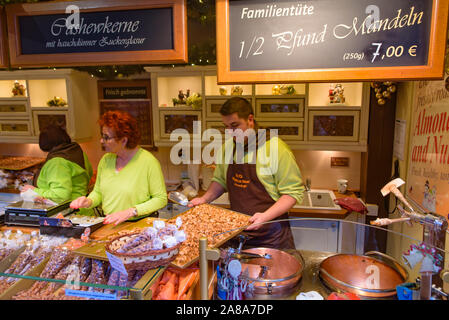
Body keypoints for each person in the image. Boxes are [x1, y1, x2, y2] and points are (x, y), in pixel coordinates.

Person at [189, 97, 305, 249]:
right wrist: (204, 199)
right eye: (227, 127)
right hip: (237, 235)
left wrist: (265, 217)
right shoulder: (228, 148)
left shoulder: (276, 148)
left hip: (271, 238)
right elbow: (220, 180)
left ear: (250, 119)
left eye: (235, 126)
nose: (230, 132)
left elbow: (292, 193)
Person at [70, 110, 167, 225]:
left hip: (139, 225)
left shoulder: (148, 162)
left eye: (106, 137)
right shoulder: (106, 160)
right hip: (109, 224)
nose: (102, 141)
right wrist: (88, 201)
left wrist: (131, 211)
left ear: (124, 140)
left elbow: (161, 199)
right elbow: (98, 192)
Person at [21, 125, 93, 214]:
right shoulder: (76, 151)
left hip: (68, 213)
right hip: (83, 210)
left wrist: (34, 190)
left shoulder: (57, 162)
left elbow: (60, 195)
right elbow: (88, 174)